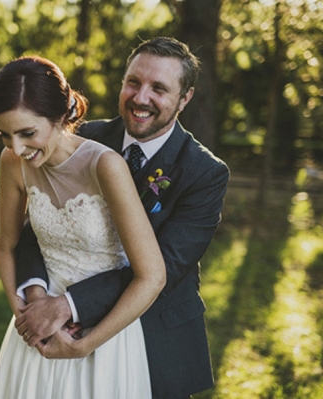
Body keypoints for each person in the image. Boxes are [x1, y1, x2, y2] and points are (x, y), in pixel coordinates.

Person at [14, 37, 230, 398]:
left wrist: (67, 306)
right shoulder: (81, 138)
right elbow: (41, 221)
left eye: (159, 88)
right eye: (134, 82)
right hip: (53, 331)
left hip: (153, 336)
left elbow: (164, 266)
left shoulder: (204, 173)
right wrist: (38, 300)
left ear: (185, 98)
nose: (140, 98)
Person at [0, 55, 167, 398]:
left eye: (28, 133)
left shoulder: (105, 167)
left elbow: (152, 276)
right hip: (36, 321)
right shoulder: (12, 162)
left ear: (59, 117)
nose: (17, 148)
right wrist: (27, 318)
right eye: (4, 135)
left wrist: (83, 345)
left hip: (103, 333)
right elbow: (7, 246)